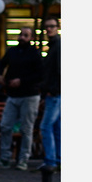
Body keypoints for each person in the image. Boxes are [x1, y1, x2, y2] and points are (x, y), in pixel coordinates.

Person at [0, 26, 44, 169]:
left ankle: (23, 160)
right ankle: (5, 158)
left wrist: (22, 81)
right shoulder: (12, 51)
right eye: (21, 34)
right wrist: (0, 75)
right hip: (12, 95)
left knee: (26, 129)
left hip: (29, 95)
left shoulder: (35, 53)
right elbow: (1, 63)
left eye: (26, 35)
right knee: (5, 126)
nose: (22, 37)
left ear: (31, 38)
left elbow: (40, 75)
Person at [39, 16, 60, 171]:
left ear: (57, 27)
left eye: (52, 26)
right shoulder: (53, 45)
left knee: (46, 126)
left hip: (55, 93)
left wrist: (53, 90)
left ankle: (50, 161)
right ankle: (57, 159)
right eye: (47, 26)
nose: (49, 29)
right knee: (56, 127)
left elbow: (58, 70)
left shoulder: (57, 46)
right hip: (56, 93)